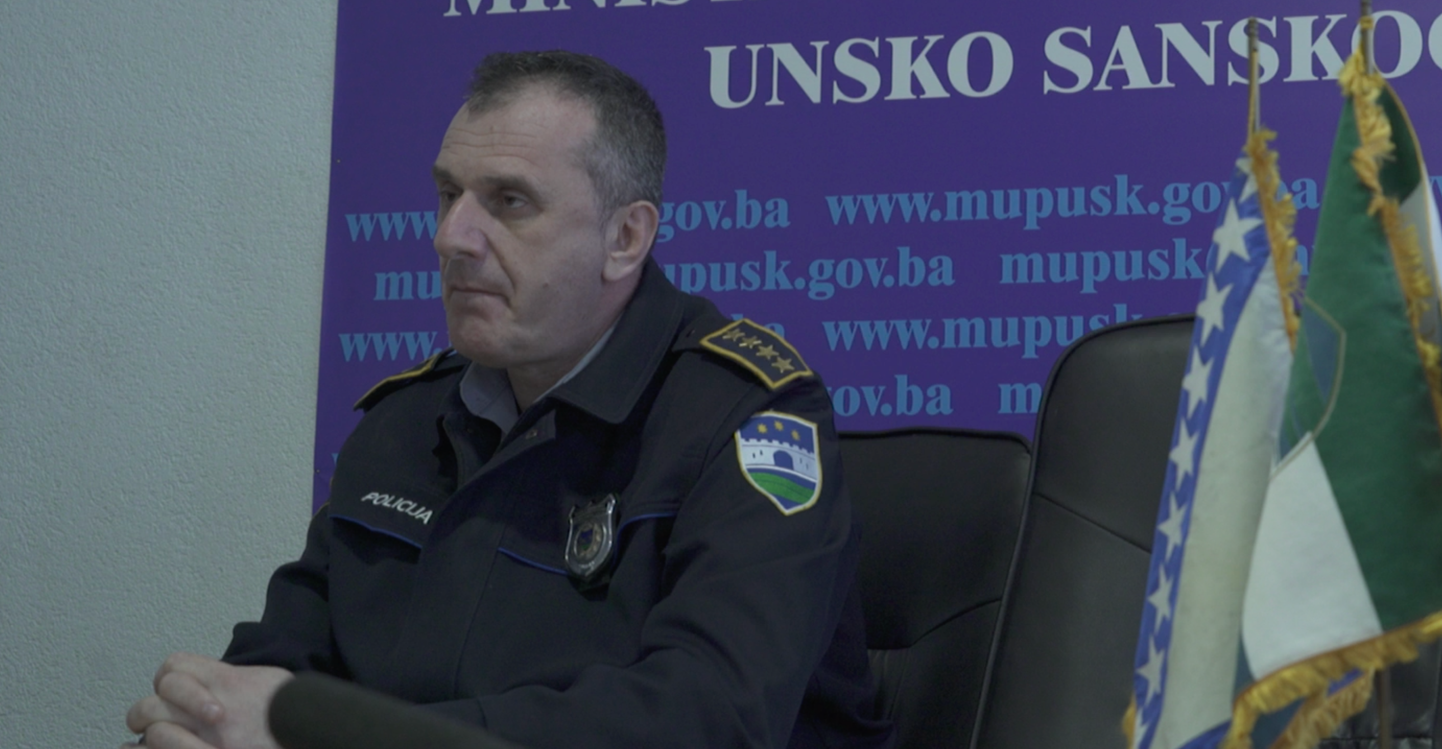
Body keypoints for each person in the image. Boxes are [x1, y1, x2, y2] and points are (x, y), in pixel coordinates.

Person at [125, 51, 889, 749]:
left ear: (625, 238)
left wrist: (348, 738)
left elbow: (709, 717)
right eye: (448, 194)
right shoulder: (407, 420)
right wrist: (209, 716)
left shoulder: (742, 418)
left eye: (510, 201)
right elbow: (283, 659)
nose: (452, 237)